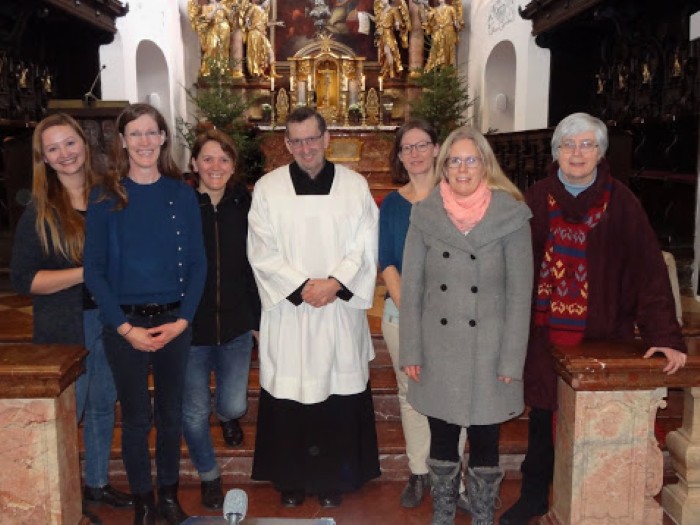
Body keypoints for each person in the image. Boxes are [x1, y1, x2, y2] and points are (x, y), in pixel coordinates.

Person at [499, 112, 688, 525]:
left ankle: (592, 499)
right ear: (557, 152)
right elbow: (512, 269)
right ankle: (534, 496)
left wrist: (664, 335)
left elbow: (648, 270)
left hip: (603, 335)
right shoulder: (537, 199)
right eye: (568, 145)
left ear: (601, 152)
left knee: (597, 424)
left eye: (587, 144)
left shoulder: (622, 202)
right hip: (546, 335)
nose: (577, 152)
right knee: (543, 418)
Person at [248, 107, 380, 509]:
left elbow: (366, 244)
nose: (305, 148)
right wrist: (301, 287)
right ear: (287, 144)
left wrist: (335, 283)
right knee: (290, 394)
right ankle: (291, 479)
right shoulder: (268, 189)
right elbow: (261, 249)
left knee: (336, 393)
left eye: (312, 138)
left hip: (337, 309)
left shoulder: (354, 186)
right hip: (290, 312)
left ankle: (331, 479)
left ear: (326, 138)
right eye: (297, 141)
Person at [400, 126, 533, 525]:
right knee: (442, 439)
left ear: (485, 165)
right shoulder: (424, 214)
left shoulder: (511, 215)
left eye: (471, 160)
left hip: (490, 351)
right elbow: (412, 289)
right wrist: (411, 350)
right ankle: (442, 513)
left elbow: (519, 295)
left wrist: (511, 360)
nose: (462, 168)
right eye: (454, 160)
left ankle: (482, 515)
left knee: (486, 441)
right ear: (443, 167)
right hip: (437, 348)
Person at [84, 103, 207, 525]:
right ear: (122, 141)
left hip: (174, 321)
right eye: (135, 134)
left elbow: (198, 263)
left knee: (171, 415)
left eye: (151, 132)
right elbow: (93, 269)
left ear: (163, 138)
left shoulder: (182, 193)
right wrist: (124, 327)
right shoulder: (105, 196)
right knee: (136, 418)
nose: (144, 141)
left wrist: (183, 320)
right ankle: (143, 502)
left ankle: (168, 497)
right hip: (125, 324)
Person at [10, 113, 133, 524]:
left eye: (69, 143)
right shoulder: (40, 211)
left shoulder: (109, 197)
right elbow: (24, 279)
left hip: (110, 320)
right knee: (69, 411)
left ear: (83, 143)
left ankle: (96, 482)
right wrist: (86, 273)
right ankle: (63, 496)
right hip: (65, 326)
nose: (64, 153)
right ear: (43, 158)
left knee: (102, 405)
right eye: (53, 148)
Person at [182, 129, 261, 509]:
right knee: (194, 411)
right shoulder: (180, 206)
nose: (216, 166)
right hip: (188, 328)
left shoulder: (248, 205)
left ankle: (228, 417)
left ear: (233, 165)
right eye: (208, 158)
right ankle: (209, 474)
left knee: (233, 404)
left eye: (224, 159)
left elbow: (256, 268)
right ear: (194, 163)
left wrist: (257, 320)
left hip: (235, 325)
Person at [188, 0, 235, 77]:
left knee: (223, 49)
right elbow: (206, 18)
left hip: (224, 28)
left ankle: (222, 69)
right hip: (213, 28)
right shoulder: (206, 7)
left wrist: (224, 9)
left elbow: (231, 17)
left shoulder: (223, 5)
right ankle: (207, 70)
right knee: (211, 47)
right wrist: (215, 10)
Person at [419, 0, 463, 73]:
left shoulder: (451, 8)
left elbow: (455, 21)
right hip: (438, 33)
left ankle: (446, 69)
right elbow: (426, 19)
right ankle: (433, 69)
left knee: (448, 50)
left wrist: (457, 26)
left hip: (449, 32)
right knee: (435, 49)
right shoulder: (434, 10)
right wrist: (422, 7)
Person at [243, 0, 283, 78]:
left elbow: (266, 24)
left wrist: (276, 23)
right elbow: (247, 17)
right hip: (254, 33)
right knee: (255, 53)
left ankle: (272, 72)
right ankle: (257, 72)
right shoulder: (254, 7)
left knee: (269, 51)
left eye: (268, 3)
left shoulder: (264, 13)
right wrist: (248, 26)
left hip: (261, 34)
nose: (267, 4)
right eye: (266, 1)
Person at [374, 0, 410, 79]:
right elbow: (378, 24)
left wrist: (398, 24)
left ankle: (392, 71)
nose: (382, 1)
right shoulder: (381, 12)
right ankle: (387, 71)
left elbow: (400, 23)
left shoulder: (394, 10)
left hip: (389, 34)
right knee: (383, 54)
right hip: (381, 35)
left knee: (390, 51)